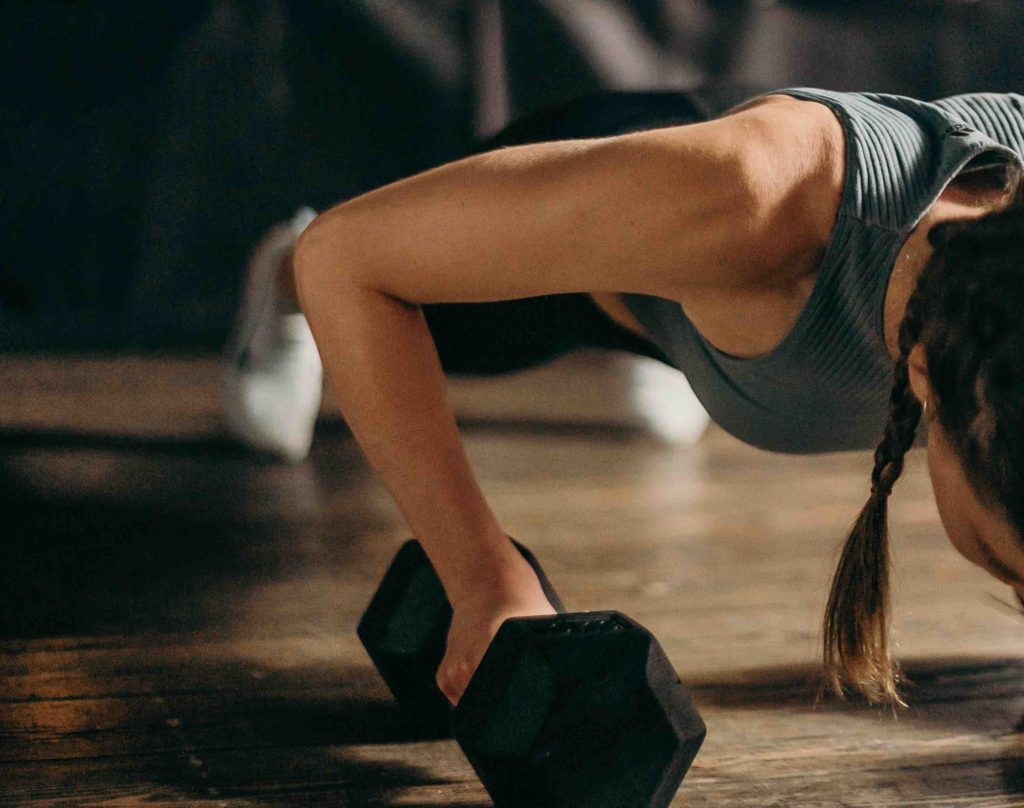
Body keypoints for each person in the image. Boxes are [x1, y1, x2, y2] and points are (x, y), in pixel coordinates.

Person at [240, 87, 1024, 707]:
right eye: (1012, 573)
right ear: (924, 377)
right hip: (665, 182)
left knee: (710, 288)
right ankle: (275, 276)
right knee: (369, 283)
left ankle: (688, 337)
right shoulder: (751, 203)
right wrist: (484, 576)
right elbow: (347, 258)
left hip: (721, 262)